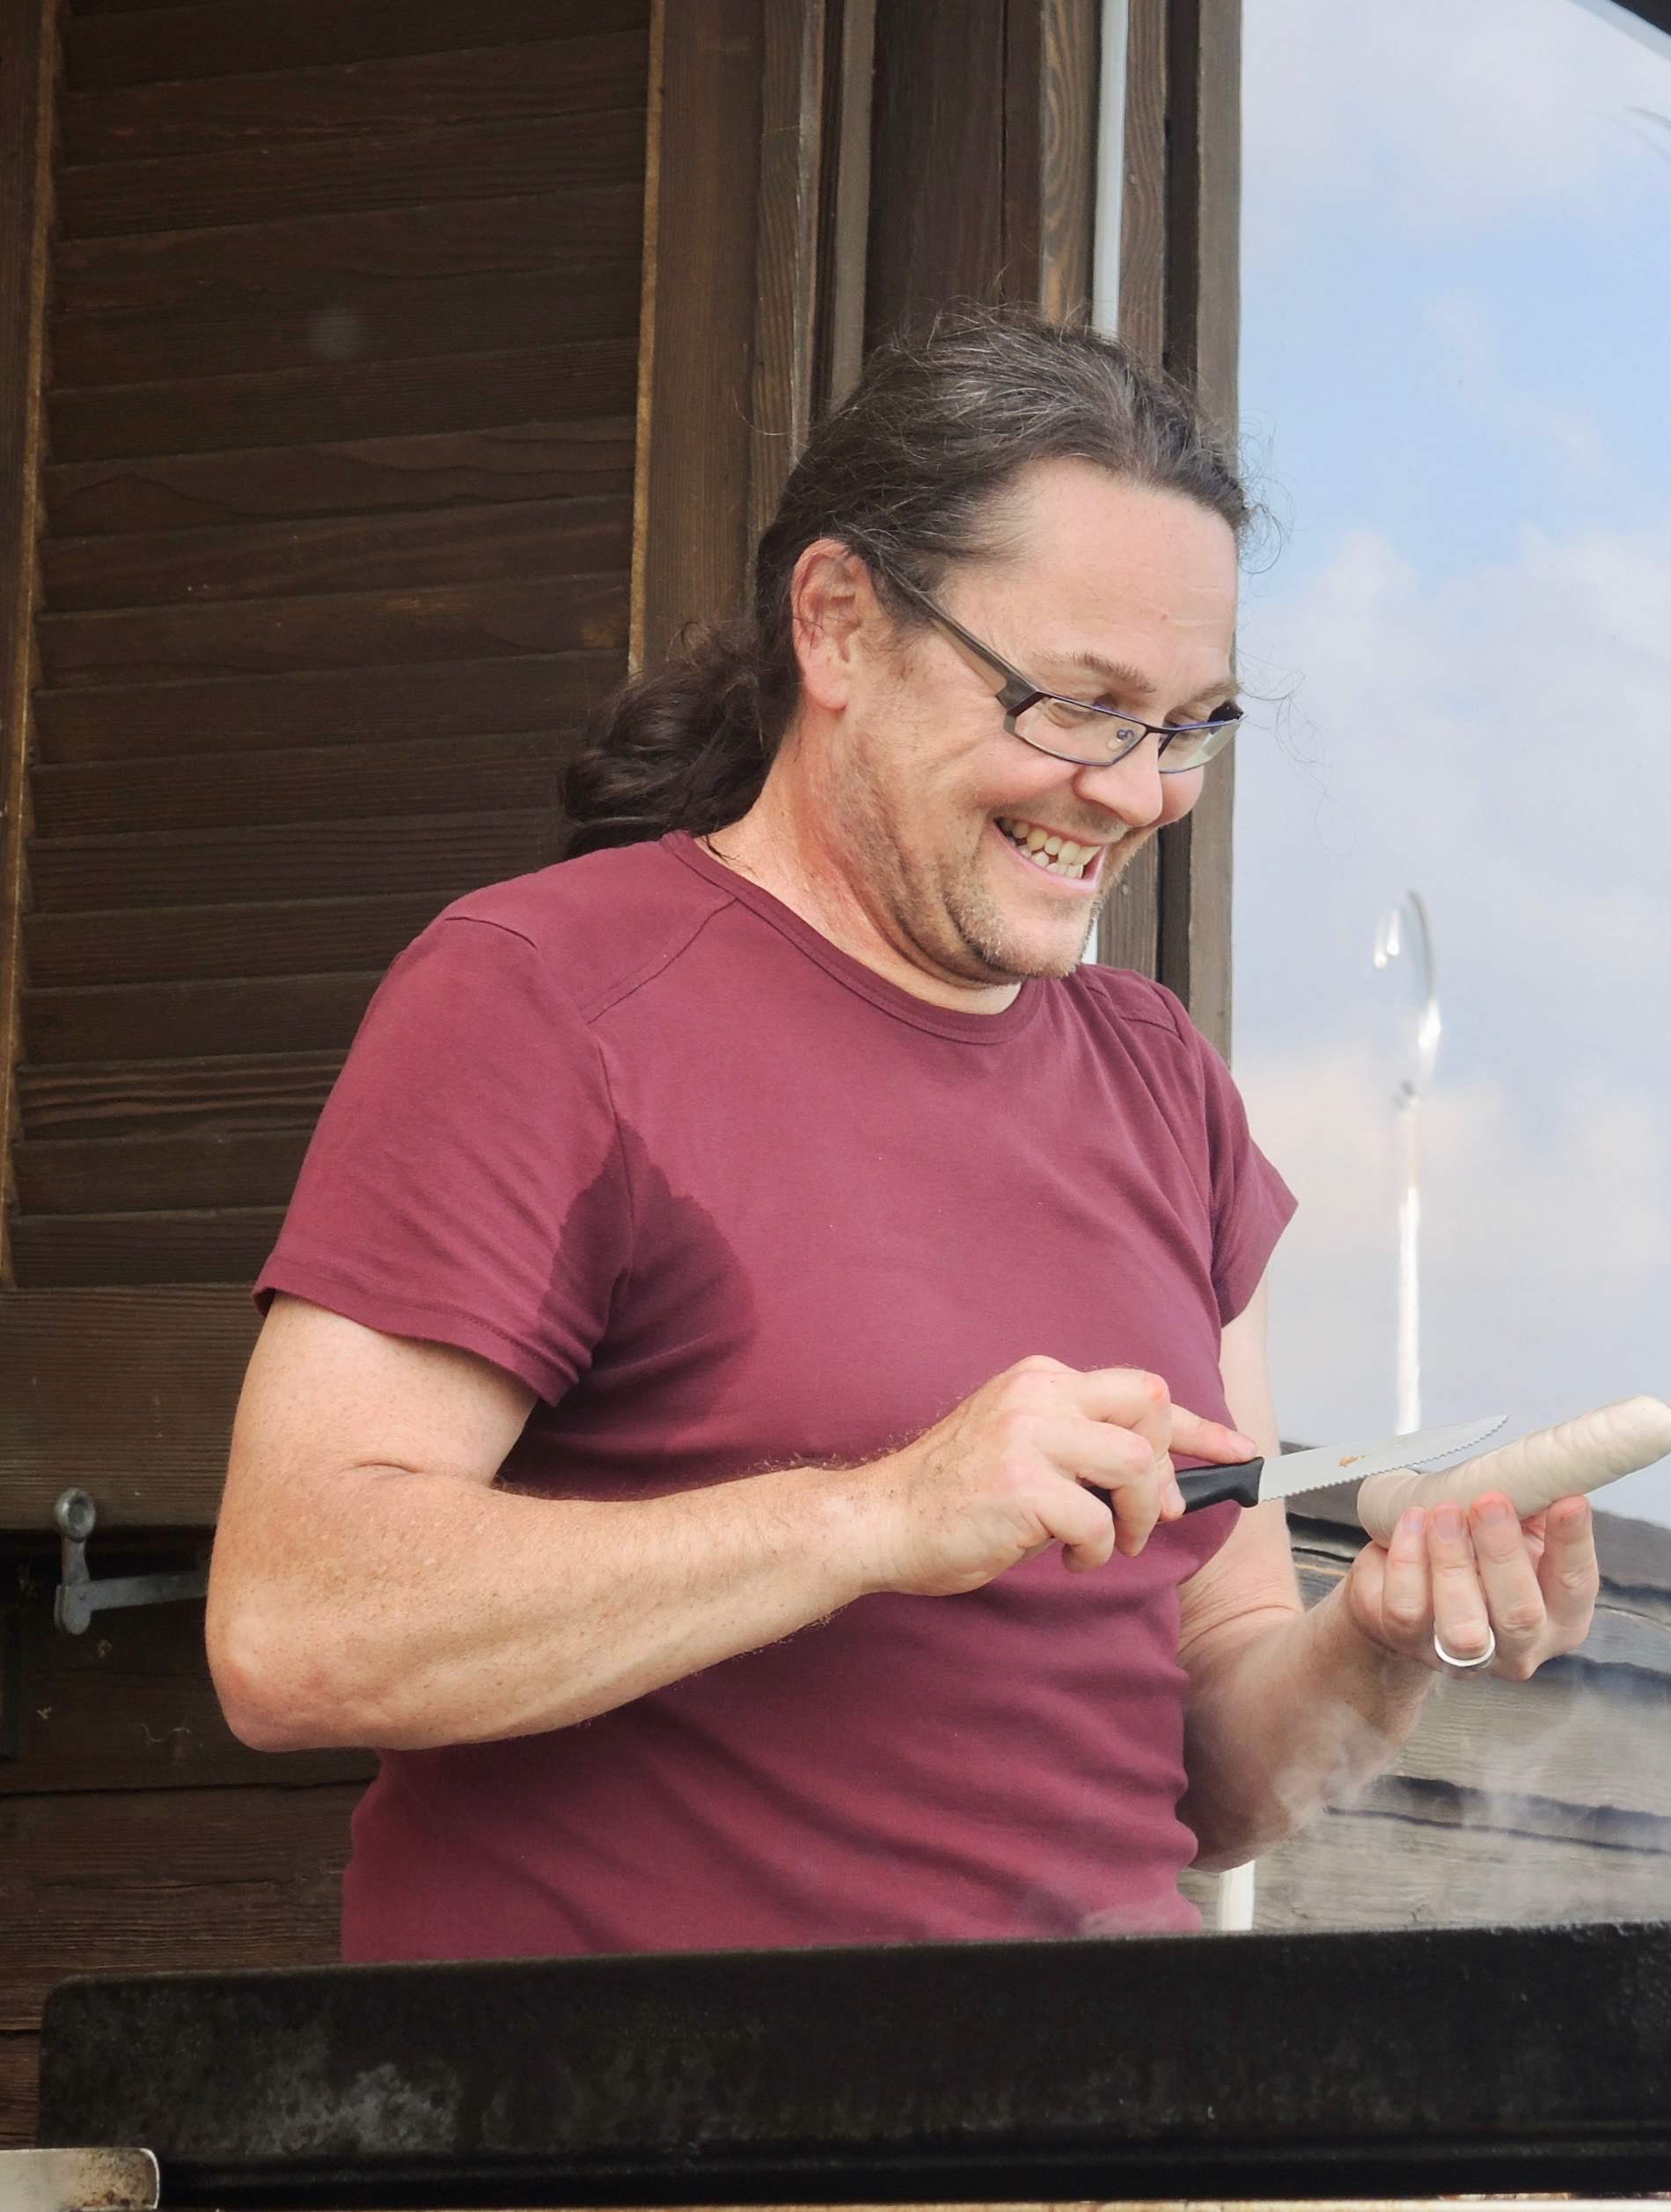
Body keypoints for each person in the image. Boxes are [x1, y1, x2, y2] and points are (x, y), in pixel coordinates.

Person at [205, 311, 1599, 1959]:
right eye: (1077, 704)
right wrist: (879, 1514)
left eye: (1191, 726)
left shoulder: (1166, 1086)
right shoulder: (545, 996)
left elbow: (1211, 1768)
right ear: (840, 623)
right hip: (632, 2097)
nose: (1138, 791)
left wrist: (1380, 1641)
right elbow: (293, 1624)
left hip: (1108, 2086)